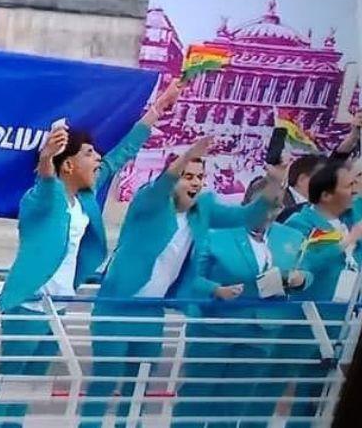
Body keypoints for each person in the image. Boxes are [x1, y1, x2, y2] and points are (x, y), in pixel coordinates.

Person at [0, 79, 183, 425]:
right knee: (9, 381)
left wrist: (159, 107)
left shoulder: (85, 200)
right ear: (68, 164)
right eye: (89, 154)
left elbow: (122, 154)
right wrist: (46, 156)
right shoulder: (40, 198)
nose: (98, 159)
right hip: (29, 305)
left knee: (29, 387)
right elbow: (46, 180)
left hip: (58, 305)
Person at [80, 137, 281, 426]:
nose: (196, 183)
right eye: (188, 176)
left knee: (137, 390)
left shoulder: (203, 210)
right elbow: (161, 185)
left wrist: (275, 182)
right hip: (116, 307)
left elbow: (248, 215)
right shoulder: (149, 202)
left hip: (153, 313)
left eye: (200, 177)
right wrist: (187, 156)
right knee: (104, 384)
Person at [173, 183, 312, 428]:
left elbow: (306, 272)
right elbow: (190, 278)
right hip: (215, 328)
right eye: (264, 206)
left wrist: (300, 279)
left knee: (233, 404)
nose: (269, 213)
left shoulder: (292, 237)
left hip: (262, 333)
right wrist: (216, 289)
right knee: (195, 399)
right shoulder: (216, 233)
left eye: (276, 207)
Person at [280, 161, 362, 425]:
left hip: (344, 321)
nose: (354, 190)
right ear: (326, 194)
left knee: (325, 397)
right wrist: (346, 242)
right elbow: (302, 265)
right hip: (309, 321)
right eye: (349, 186)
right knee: (301, 392)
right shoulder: (300, 222)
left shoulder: (348, 219)